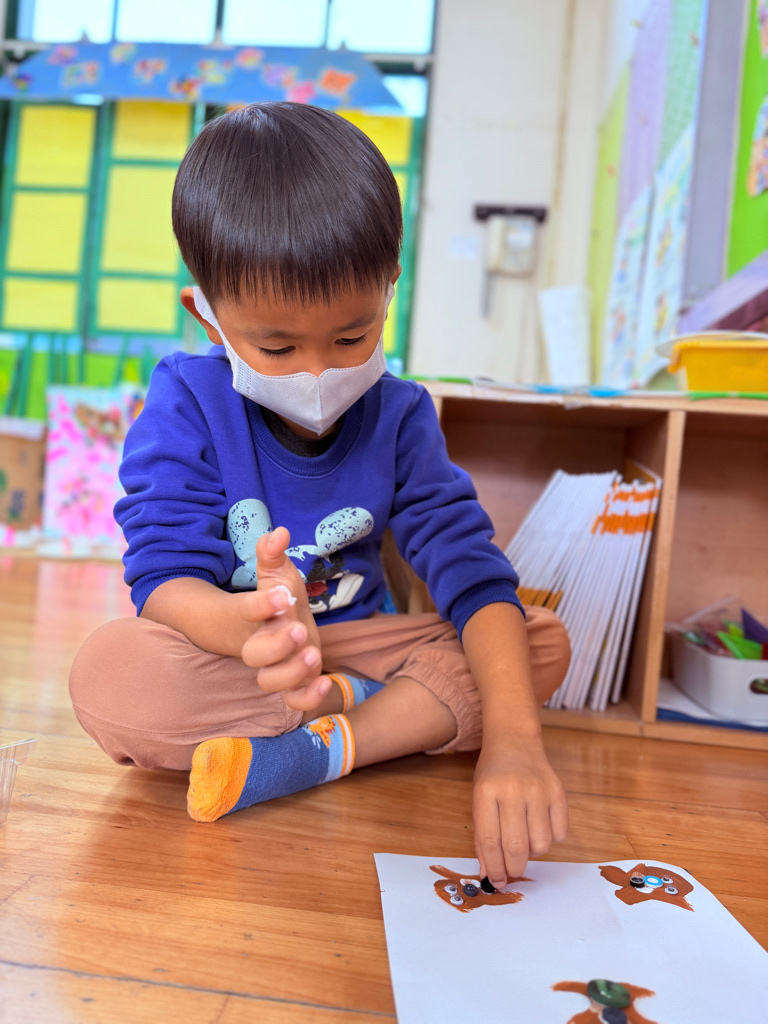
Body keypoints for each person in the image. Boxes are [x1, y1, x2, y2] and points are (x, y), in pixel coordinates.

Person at [69, 102, 571, 890]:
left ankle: (321, 744)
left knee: (538, 644)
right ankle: (371, 718)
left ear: (389, 289)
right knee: (109, 672)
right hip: (240, 660)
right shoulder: (186, 400)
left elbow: (471, 571)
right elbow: (163, 577)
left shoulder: (401, 416)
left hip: (359, 647)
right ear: (208, 315)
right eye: (276, 346)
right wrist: (252, 629)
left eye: (351, 337)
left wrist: (516, 744)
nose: (316, 372)